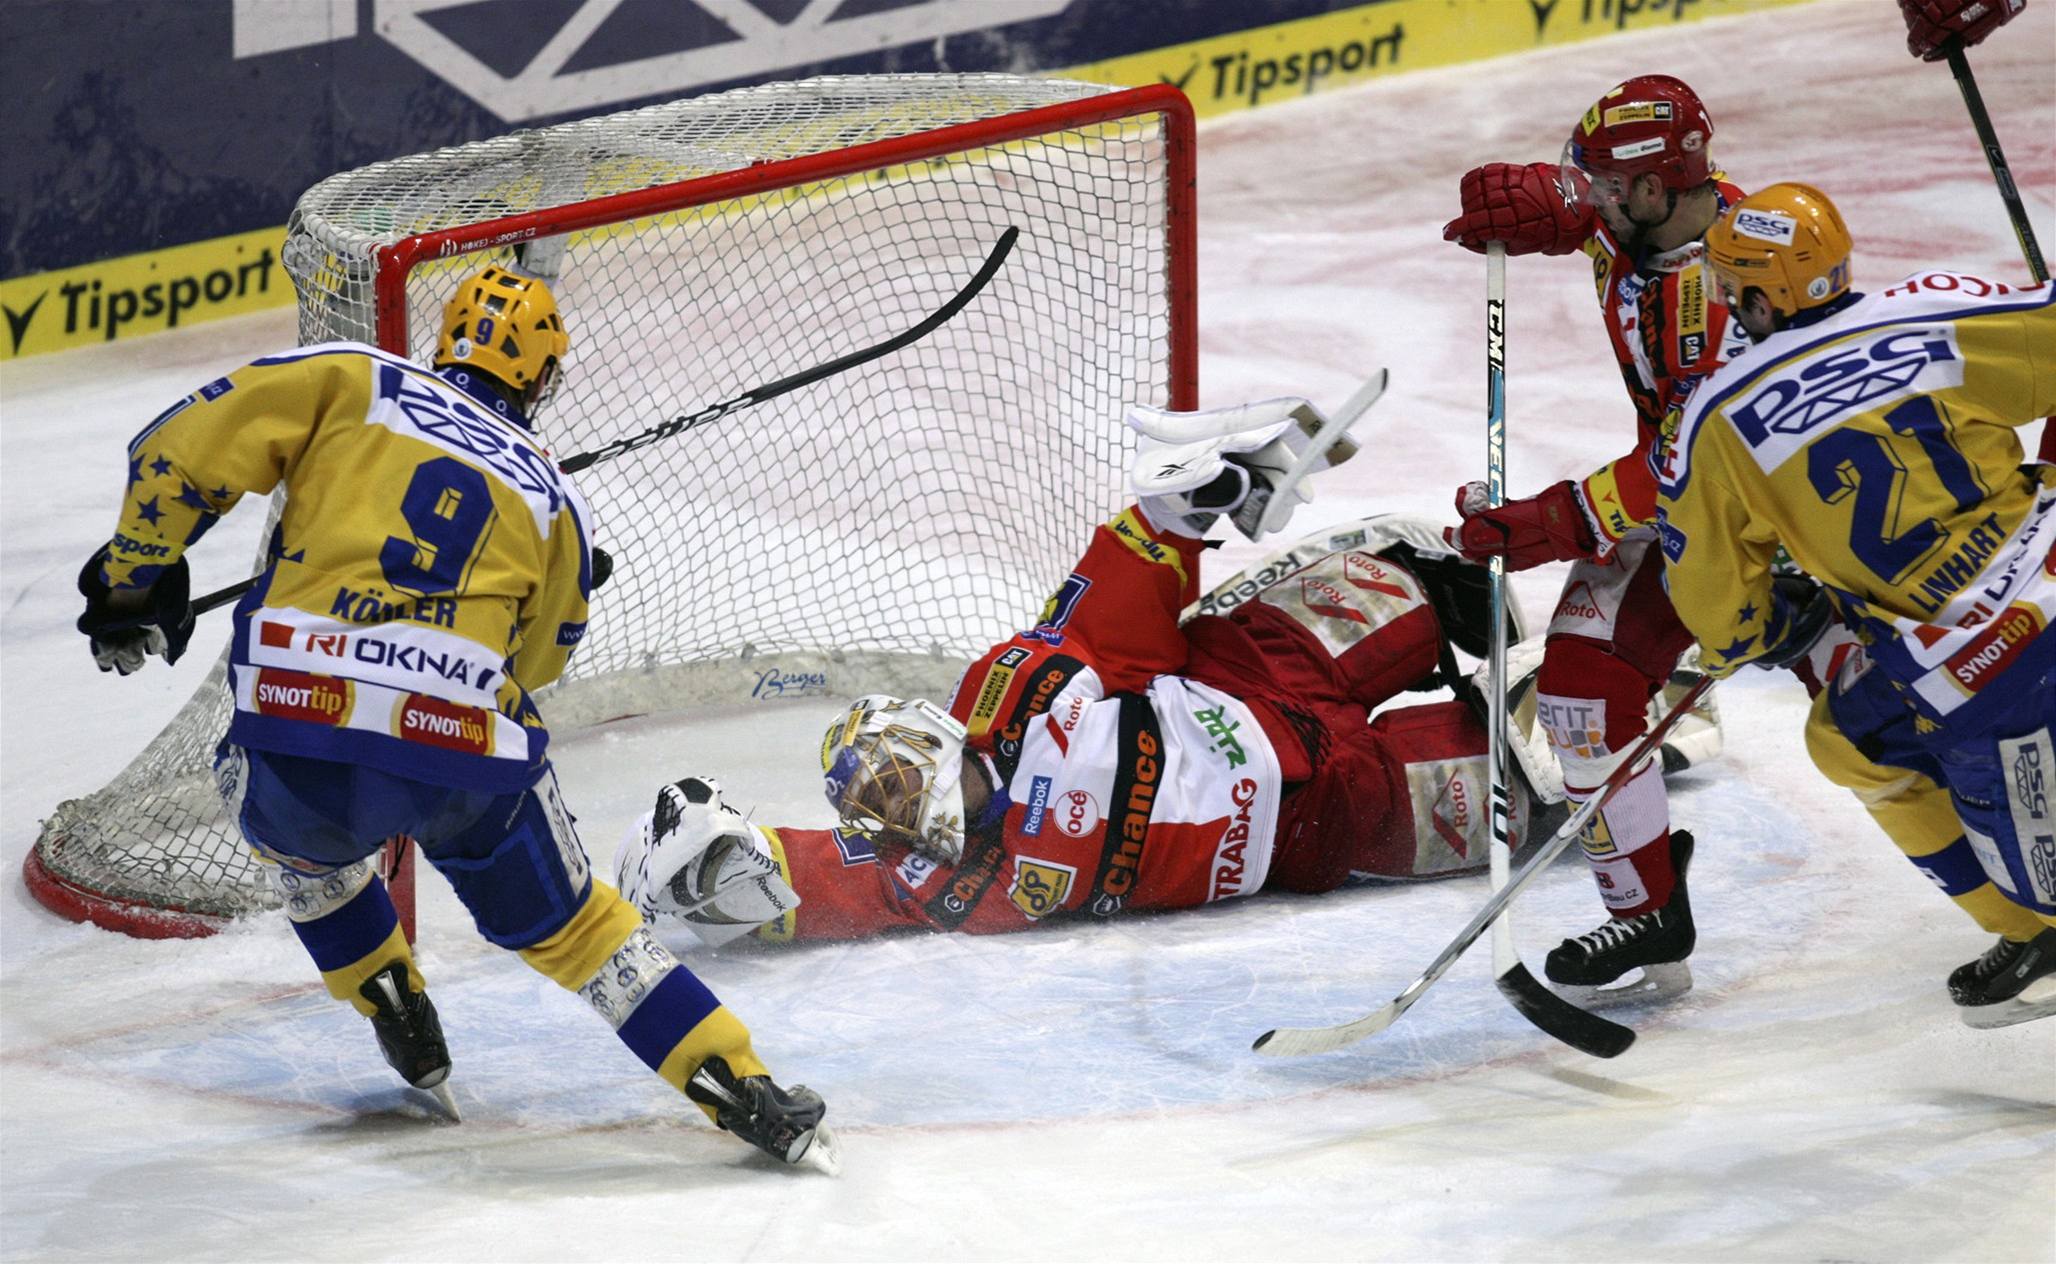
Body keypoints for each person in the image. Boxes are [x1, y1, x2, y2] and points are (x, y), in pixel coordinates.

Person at [73, 264, 834, 1166]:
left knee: (303, 849)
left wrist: (133, 579)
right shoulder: (554, 497)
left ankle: (386, 995)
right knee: (578, 929)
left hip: (297, 723)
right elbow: (538, 665)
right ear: (542, 377)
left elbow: (176, 450)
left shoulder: (350, 375)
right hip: (462, 750)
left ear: (444, 341)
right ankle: (742, 1088)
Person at [609, 396, 1635, 947]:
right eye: (888, 810)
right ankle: (1629, 690)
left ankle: (1493, 573)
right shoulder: (946, 880)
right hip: (1318, 816)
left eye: (900, 780)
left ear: (936, 738)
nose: (906, 810)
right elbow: (821, 879)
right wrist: (720, 868)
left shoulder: (1005, 692)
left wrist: (1183, 510)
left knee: (1429, 574)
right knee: (1556, 766)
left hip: (1247, 677)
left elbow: (1099, 620)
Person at [1655, 181, 2056, 1027]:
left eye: (1733, 290)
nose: (1729, 307)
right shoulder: (1931, 309)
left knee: (1855, 740)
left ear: (1763, 297)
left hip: (1981, 673)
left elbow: (1714, 601)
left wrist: (1757, 629)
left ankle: (2033, 932)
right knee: (1845, 732)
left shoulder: (1718, 419)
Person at [1438, 76, 1745, 994]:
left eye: (1606, 187)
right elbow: (1588, 217)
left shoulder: (1729, 293)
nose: (1595, 202)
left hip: (1790, 522)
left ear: (1653, 189)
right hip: (1692, 506)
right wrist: (1544, 201)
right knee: (1580, 683)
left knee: (1900, 722)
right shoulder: (1644, 220)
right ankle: (1647, 912)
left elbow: (1689, 463)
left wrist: (1551, 521)